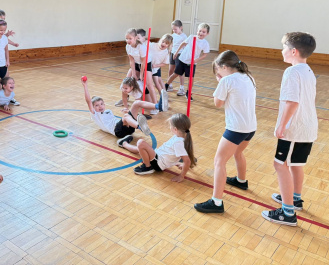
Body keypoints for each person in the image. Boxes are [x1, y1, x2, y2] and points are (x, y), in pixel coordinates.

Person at [261, 32, 318, 226]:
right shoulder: (308, 70)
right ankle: (295, 199)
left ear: (293, 51)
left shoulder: (292, 72)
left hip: (294, 129)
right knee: (295, 164)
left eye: (284, 47)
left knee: (280, 165)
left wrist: (282, 124)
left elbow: (292, 102)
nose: (281, 50)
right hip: (308, 128)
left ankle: (287, 213)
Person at [194, 51, 257, 213]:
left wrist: (220, 81)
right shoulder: (248, 76)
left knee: (219, 161)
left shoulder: (226, 80)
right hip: (250, 127)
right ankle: (241, 181)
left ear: (223, 67)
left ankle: (216, 202)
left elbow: (218, 103)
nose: (217, 73)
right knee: (238, 153)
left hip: (236, 128)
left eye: (217, 70)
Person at [81, 78, 168, 146]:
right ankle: (140, 127)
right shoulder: (95, 115)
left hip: (127, 128)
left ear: (104, 104)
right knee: (126, 117)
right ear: (93, 107)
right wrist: (85, 86)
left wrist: (129, 111)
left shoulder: (108, 111)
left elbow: (121, 121)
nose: (100, 106)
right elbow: (88, 101)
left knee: (136, 103)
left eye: (101, 104)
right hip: (117, 132)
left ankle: (158, 106)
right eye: (97, 105)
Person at [120, 113, 196, 180]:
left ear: (175, 129)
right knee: (140, 148)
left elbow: (187, 161)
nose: (170, 127)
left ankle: (147, 166)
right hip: (158, 157)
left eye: (170, 126)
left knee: (141, 143)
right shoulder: (183, 137)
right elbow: (179, 154)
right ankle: (124, 144)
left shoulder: (178, 143)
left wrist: (181, 176)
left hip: (158, 163)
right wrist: (177, 163)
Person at [165, 23, 211, 100]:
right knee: (175, 74)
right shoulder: (192, 37)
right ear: (197, 31)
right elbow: (183, 44)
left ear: (207, 33)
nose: (201, 33)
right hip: (182, 59)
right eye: (200, 31)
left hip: (192, 63)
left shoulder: (205, 43)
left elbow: (205, 54)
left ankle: (188, 93)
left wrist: (196, 60)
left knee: (191, 78)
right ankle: (166, 85)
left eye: (203, 32)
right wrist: (176, 52)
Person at [167, 20, 187, 92]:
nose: (174, 30)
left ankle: (182, 88)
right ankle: (170, 85)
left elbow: (185, 46)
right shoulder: (173, 35)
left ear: (181, 28)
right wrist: (170, 50)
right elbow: (172, 43)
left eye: (175, 29)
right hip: (173, 53)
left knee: (179, 72)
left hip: (180, 54)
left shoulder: (184, 36)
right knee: (170, 70)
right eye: (173, 29)